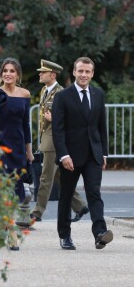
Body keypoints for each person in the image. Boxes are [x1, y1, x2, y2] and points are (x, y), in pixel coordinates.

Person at [52, 57, 113, 250]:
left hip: (93, 155)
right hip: (70, 157)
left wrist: (104, 153)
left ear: (92, 74)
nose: (84, 75)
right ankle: (64, 235)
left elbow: (101, 126)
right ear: (74, 72)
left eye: (87, 72)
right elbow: (57, 129)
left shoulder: (98, 94)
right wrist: (63, 155)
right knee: (67, 196)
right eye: (80, 71)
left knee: (94, 193)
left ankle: (100, 233)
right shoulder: (63, 97)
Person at [0, 58, 34, 250]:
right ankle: (12, 232)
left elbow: (25, 124)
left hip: (18, 148)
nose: (8, 74)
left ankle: (2, 223)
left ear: (18, 74)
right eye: (5, 71)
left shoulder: (25, 94)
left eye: (12, 71)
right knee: (4, 192)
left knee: (13, 190)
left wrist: (29, 151)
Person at [30, 59, 88, 222]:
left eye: (43, 72)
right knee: (60, 178)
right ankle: (80, 206)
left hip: (54, 140)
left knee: (45, 177)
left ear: (52, 74)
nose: (40, 74)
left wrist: (54, 117)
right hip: (47, 138)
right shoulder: (44, 90)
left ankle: (37, 212)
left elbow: (71, 118)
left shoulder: (62, 93)